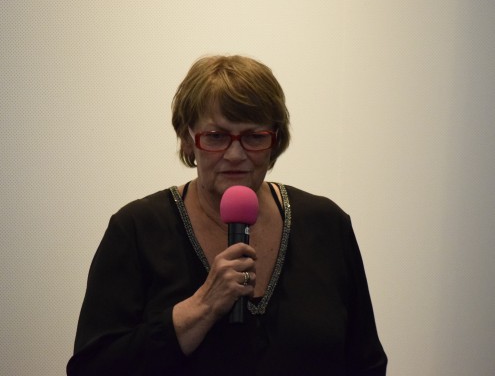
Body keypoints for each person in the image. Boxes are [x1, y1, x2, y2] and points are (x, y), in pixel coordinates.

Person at [67, 55, 387, 375]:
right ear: (188, 140)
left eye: (254, 137)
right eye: (216, 137)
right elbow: (92, 368)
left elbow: (367, 362)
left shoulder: (326, 224)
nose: (235, 154)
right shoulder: (137, 229)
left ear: (274, 141)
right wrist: (203, 306)